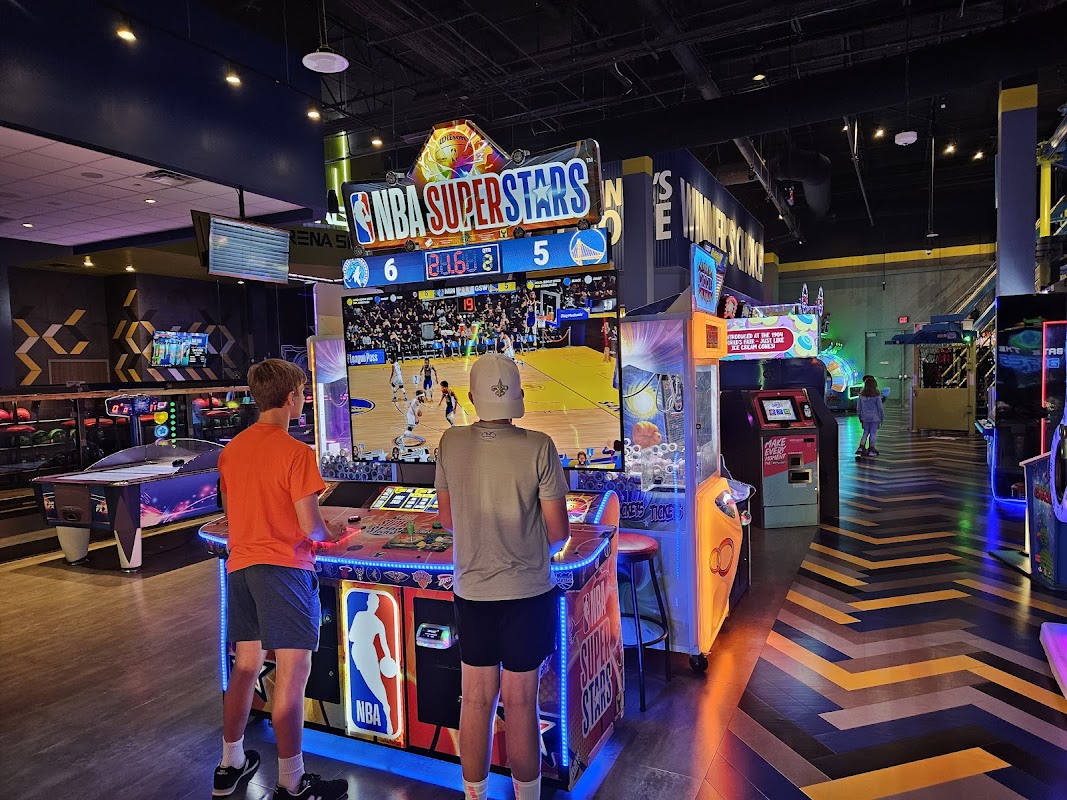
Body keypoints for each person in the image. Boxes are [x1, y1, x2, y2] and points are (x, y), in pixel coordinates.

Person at [434, 354, 571, 800]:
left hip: (472, 592)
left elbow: (448, 520)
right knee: (521, 703)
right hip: (528, 593)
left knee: (475, 700)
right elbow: (558, 532)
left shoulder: (450, 442)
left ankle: (474, 795)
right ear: (520, 396)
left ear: (471, 398)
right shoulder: (540, 446)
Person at [211, 359, 347, 800]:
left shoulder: (232, 450)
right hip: (285, 569)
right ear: (291, 398)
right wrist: (334, 533)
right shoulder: (296, 453)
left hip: (241, 567)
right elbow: (311, 528)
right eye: (303, 392)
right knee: (291, 676)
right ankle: (292, 782)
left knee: (245, 668)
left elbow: (232, 515)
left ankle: (230, 763)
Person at [856, 375, 884, 456]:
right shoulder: (876, 395)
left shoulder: (861, 395)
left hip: (865, 417)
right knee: (873, 433)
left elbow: (859, 407)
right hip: (875, 417)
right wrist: (881, 418)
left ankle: (861, 447)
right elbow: (880, 408)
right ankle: (871, 450)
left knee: (865, 432)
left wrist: (860, 416)